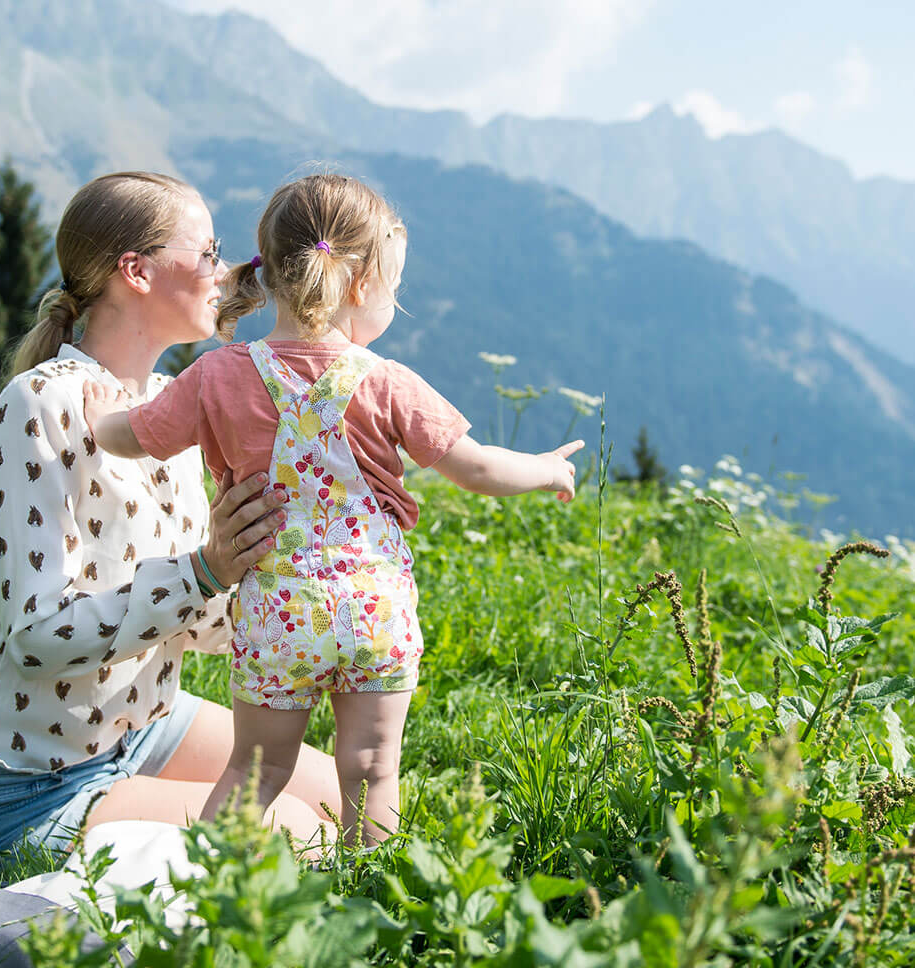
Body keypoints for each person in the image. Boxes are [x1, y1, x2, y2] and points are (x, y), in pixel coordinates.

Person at [84, 173, 583, 845]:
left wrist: (97, 412)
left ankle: (210, 889)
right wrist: (548, 468)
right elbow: (480, 467)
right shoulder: (387, 381)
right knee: (374, 771)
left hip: (277, 619)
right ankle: (372, 899)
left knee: (254, 772)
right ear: (361, 285)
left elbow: (132, 435)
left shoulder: (219, 375)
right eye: (394, 289)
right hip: (374, 613)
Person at [0, 170, 341, 853]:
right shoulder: (38, 405)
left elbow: (197, 624)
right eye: (207, 252)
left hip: (139, 725)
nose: (223, 270)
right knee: (303, 837)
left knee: (358, 804)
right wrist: (205, 570)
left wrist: (281, 597)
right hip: (18, 779)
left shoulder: (172, 405)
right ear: (136, 271)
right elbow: (36, 636)